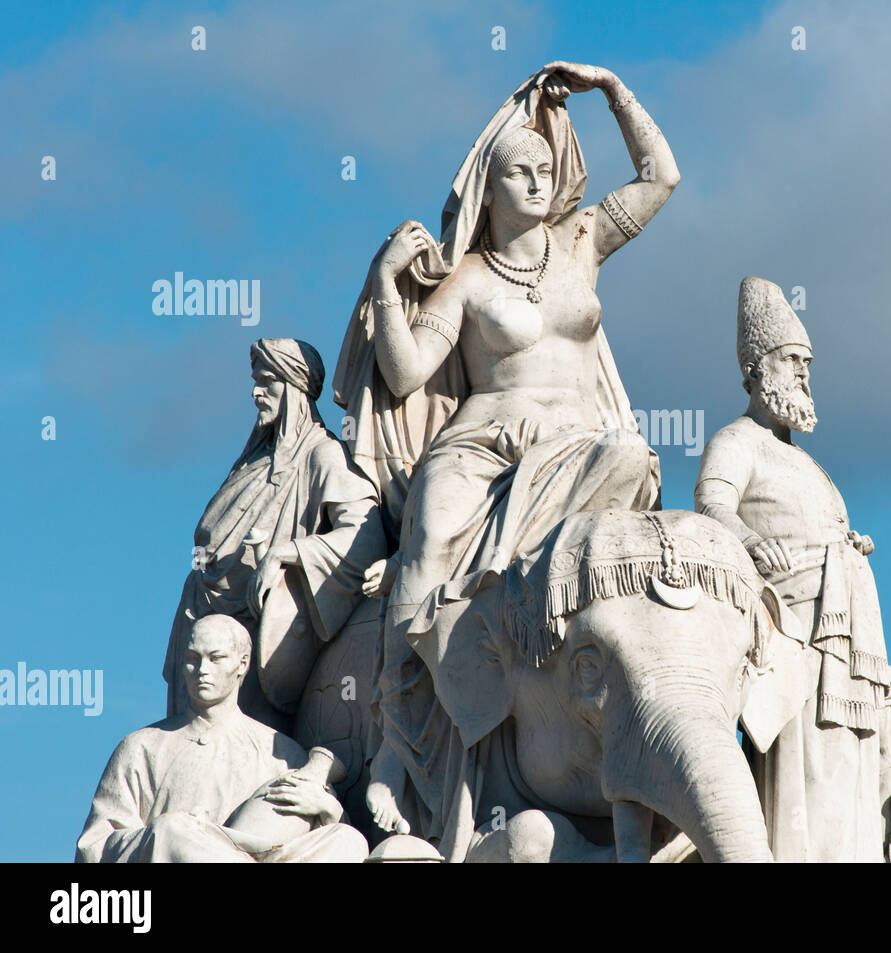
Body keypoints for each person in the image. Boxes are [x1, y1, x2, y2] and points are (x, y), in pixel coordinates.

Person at [331, 62, 678, 852]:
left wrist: (613, 90)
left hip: (578, 443)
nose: (537, 179)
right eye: (519, 170)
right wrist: (386, 281)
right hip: (483, 445)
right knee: (426, 548)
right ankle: (396, 745)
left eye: (545, 169)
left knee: (632, 458)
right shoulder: (467, 279)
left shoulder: (581, 242)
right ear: (487, 188)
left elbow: (662, 177)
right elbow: (406, 373)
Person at [695, 276, 891, 862]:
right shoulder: (737, 440)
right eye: (791, 360)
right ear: (756, 369)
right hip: (793, 636)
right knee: (805, 769)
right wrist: (748, 540)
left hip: (845, 637)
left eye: (807, 363)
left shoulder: (807, 462)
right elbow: (711, 505)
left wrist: (848, 547)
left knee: (850, 770)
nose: (803, 374)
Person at [162, 338, 386, 732]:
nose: (256, 393)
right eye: (256, 382)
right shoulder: (250, 462)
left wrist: (285, 553)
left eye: (267, 382)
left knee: (242, 749)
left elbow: (365, 539)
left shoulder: (322, 454)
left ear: (295, 388)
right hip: (199, 618)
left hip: (256, 630)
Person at [78, 616, 368, 863]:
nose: (202, 670)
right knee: (170, 828)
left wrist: (328, 809)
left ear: (242, 664)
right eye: (192, 659)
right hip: (181, 852)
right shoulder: (142, 747)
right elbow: (94, 848)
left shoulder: (281, 752)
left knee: (348, 839)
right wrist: (169, 834)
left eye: (215, 658)